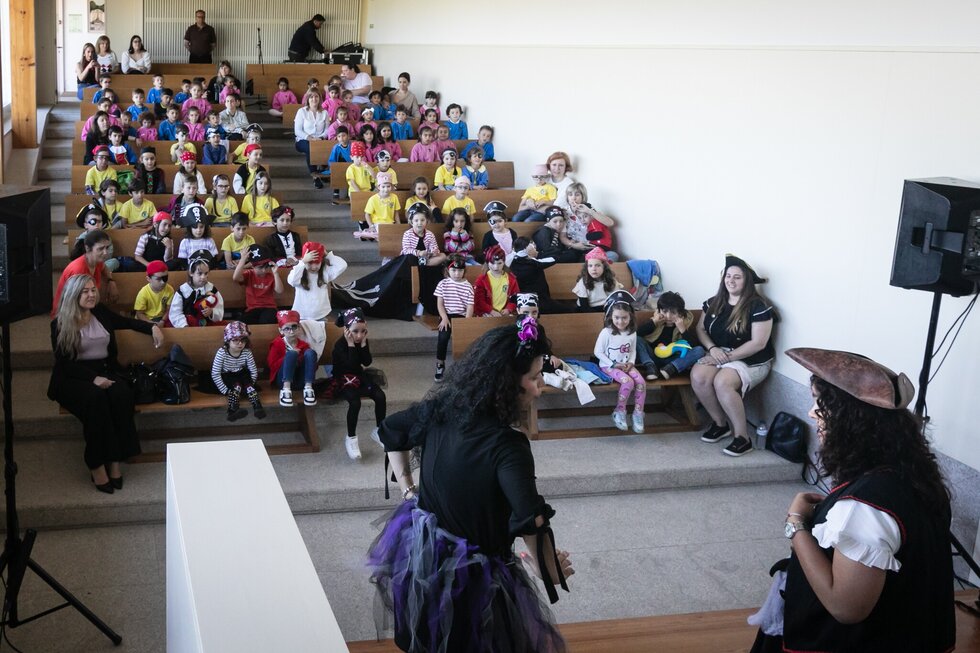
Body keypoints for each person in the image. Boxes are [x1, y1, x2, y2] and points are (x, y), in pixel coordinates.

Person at [368, 316, 571, 652]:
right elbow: (529, 518)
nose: (540, 387)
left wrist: (408, 489)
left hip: (426, 556)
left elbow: (391, 429)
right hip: (472, 577)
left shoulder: (443, 409)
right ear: (507, 383)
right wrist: (546, 568)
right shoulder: (508, 445)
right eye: (535, 378)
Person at [748, 348, 954, 653]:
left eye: (819, 403)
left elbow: (845, 607)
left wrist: (796, 524)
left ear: (850, 419)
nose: (812, 413)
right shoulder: (912, 475)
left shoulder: (865, 505)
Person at [48, 274, 164, 493]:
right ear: (73, 295)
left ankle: (115, 461)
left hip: (104, 369)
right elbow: (64, 364)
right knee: (96, 400)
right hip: (73, 377)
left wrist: (152, 328)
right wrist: (93, 379)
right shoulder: (60, 323)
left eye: (93, 290)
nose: (91, 295)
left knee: (121, 395)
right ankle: (96, 464)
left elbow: (126, 322)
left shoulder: (100, 312)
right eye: (85, 291)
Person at [692, 254, 775, 457]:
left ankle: (742, 438)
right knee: (698, 376)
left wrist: (726, 358)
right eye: (728, 276)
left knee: (722, 382)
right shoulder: (714, 302)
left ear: (746, 281)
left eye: (737, 277)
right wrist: (713, 349)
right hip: (719, 353)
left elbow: (758, 343)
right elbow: (700, 329)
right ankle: (720, 424)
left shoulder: (758, 306)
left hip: (751, 359)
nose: (731, 281)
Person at [328, 308, 387, 460]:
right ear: (347, 330)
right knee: (355, 402)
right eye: (355, 331)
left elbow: (367, 362)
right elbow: (351, 364)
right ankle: (351, 438)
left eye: (363, 331)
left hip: (359, 377)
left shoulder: (362, 340)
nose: (359, 335)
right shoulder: (340, 345)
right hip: (343, 379)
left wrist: (364, 344)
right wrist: (351, 344)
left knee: (380, 396)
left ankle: (379, 430)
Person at [594, 290, 646, 433]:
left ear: (630, 317)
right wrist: (613, 364)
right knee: (628, 382)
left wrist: (631, 362)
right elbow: (598, 352)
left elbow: (633, 350)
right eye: (617, 317)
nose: (621, 321)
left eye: (624, 318)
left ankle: (638, 413)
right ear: (611, 316)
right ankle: (619, 411)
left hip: (626, 365)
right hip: (608, 366)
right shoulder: (606, 332)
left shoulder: (632, 332)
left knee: (641, 382)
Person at [53, 229, 118, 315]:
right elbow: (75, 303)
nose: (105, 252)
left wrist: (111, 281)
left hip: (86, 305)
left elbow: (104, 267)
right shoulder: (79, 269)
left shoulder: (96, 260)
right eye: (101, 249)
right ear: (87, 248)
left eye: (107, 248)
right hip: (69, 313)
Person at [211, 321, 265, 422]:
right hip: (228, 376)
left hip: (242, 374)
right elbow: (215, 373)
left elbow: (253, 370)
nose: (240, 343)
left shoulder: (247, 352)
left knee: (250, 387)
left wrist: (251, 383)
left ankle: (257, 407)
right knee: (237, 387)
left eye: (243, 340)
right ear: (228, 340)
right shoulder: (222, 352)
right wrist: (225, 390)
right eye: (235, 340)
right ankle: (233, 410)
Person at [433, 254, 474, 382]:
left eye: (460, 271)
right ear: (448, 270)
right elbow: (440, 304)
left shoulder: (468, 286)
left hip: (462, 316)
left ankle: (463, 365)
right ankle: (440, 364)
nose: (457, 274)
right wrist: (444, 318)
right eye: (454, 270)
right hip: (447, 315)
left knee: (464, 339)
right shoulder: (443, 284)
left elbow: (470, 306)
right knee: (443, 337)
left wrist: (467, 322)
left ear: (464, 271)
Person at [267, 310, 317, 407]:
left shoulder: (304, 345)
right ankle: (286, 391)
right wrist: (288, 357)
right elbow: (272, 366)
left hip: (300, 381)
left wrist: (300, 359)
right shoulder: (277, 344)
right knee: (291, 354)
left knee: (310, 353)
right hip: (282, 381)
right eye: (287, 329)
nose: (291, 331)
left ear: (299, 328)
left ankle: (308, 388)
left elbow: (312, 366)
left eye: (294, 327)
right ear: (281, 330)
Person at [287, 241, 348, 321]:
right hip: (302, 315)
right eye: (310, 263)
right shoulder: (299, 272)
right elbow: (292, 281)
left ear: (321, 261)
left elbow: (342, 265)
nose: (314, 267)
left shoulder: (325, 272)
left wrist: (328, 255)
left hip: (321, 314)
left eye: (317, 263)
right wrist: (303, 262)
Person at [566, 182, 619, 261]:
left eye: (577, 195)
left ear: (583, 197)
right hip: (576, 247)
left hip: (593, 247)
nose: (573, 198)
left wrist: (590, 211)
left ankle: (592, 263)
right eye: (570, 195)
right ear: (567, 197)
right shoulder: (565, 212)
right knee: (571, 256)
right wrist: (572, 245)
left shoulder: (589, 209)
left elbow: (610, 223)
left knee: (613, 255)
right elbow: (562, 236)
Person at [233, 245, 282, 325]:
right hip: (253, 309)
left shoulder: (271, 276)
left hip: (269, 308)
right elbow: (236, 277)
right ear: (252, 266)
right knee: (241, 323)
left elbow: (279, 291)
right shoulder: (249, 274)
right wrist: (243, 260)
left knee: (266, 320)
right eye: (260, 268)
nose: (264, 270)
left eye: (266, 267)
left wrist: (276, 273)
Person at [473, 245, 519, 317]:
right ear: (487, 262)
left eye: (499, 263)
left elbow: (515, 298)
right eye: (492, 263)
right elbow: (479, 301)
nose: (496, 267)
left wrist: (508, 309)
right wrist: (491, 311)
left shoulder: (511, 279)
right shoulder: (481, 280)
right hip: (487, 312)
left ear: (504, 262)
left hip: (505, 313)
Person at [573, 247, 623, 312]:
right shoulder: (583, 282)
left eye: (597, 265)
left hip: (605, 308)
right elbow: (584, 307)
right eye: (590, 266)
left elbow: (616, 300)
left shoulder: (611, 280)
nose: (594, 269)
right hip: (587, 310)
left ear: (604, 267)